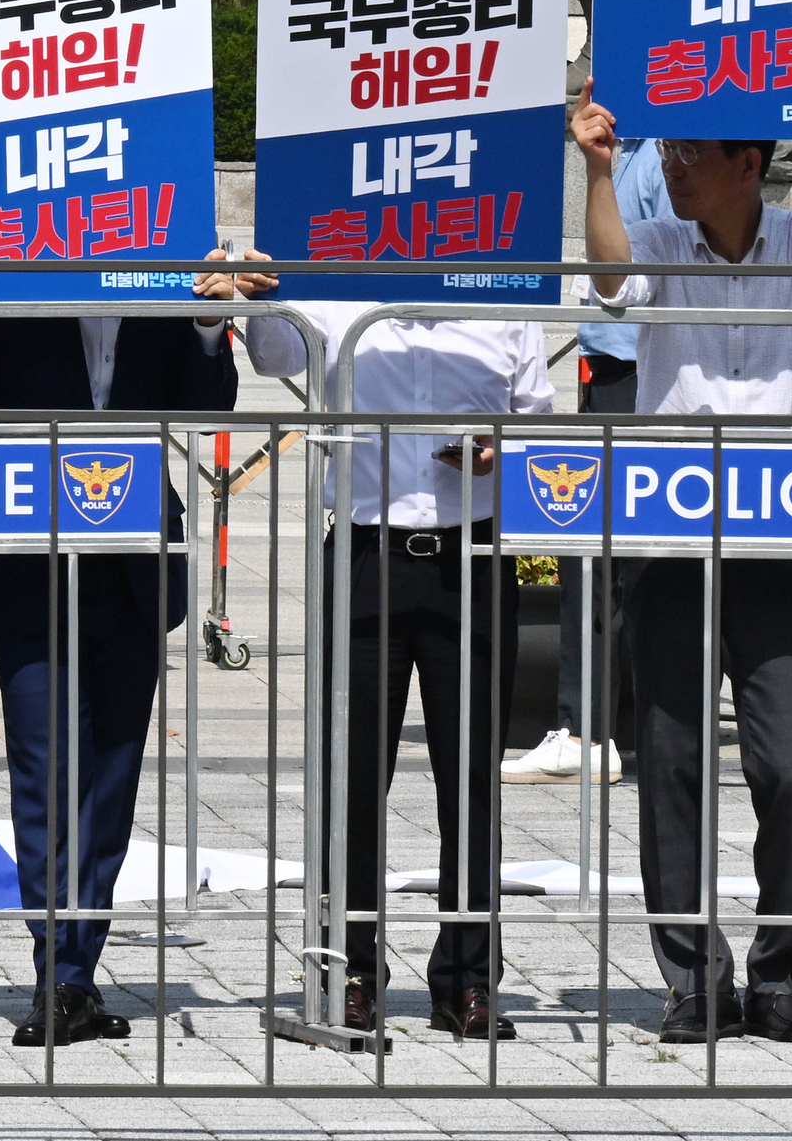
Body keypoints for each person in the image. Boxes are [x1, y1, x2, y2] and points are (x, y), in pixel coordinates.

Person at [572, 91, 792, 1043]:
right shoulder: (657, 236)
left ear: (747, 163)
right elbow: (608, 285)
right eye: (668, 150)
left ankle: (780, 971)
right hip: (672, 540)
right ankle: (691, 976)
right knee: (672, 762)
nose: (670, 165)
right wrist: (598, 168)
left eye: (688, 153)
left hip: (779, 542)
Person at [0, 258, 243, 1046]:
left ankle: (78, 966)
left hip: (132, 567)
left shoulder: (162, 289)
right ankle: (60, 970)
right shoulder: (9, 290)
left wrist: (208, 322)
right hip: (27, 562)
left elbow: (205, 403)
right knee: (46, 774)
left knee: (111, 783)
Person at [229, 256, 556, 1041]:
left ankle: (470, 980)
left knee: (471, 778)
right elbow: (274, 353)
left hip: (470, 557)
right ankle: (352, 972)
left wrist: (494, 451)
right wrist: (261, 293)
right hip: (369, 556)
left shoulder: (500, 295)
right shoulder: (343, 293)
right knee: (355, 777)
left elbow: (537, 422)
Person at [508, 136, 662, 787]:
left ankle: (587, 730)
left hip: (639, 371)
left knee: (602, 553)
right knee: (612, 553)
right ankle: (604, 727)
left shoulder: (661, 154)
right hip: (613, 368)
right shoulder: (629, 150)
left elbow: (628, 282)